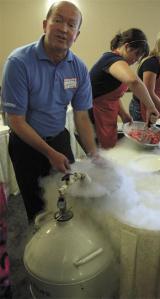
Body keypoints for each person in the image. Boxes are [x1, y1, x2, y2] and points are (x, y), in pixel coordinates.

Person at [1, 1, 97, 222]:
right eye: (58, 20)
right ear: (45, 24)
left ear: (77, 34)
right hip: (25, 146)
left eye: (71, 25)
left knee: (71, 197)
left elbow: (81, 116)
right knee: (38, 209)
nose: (64, 29)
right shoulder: (19, 62)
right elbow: (16, 121)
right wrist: (49, 153)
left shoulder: (79, 68)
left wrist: (94, 154)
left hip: (59, 139)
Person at [89, 28, 159, 149]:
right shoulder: (110, 59)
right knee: (102, 160)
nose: (137, 59)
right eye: (137, 54)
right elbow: (133, 81)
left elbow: (111, 96)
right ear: (127, 47)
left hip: (106, 116)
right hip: (93, 120)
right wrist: (151, 107)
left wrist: (124, 114)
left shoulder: (116, 63)